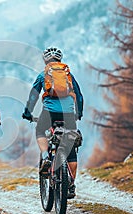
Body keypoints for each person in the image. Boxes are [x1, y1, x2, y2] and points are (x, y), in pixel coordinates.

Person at [22, 47, 83, 198]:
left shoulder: (43, 75)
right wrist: (78, 113)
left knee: (40, 131)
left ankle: (45, 157)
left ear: (45, 60)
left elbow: (33, 96)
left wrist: (27, 113)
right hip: (68, 114)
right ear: (60, 60)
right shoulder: (68, 75)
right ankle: (70, 185)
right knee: (71, 147)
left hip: (49, 113)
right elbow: (79, 96)